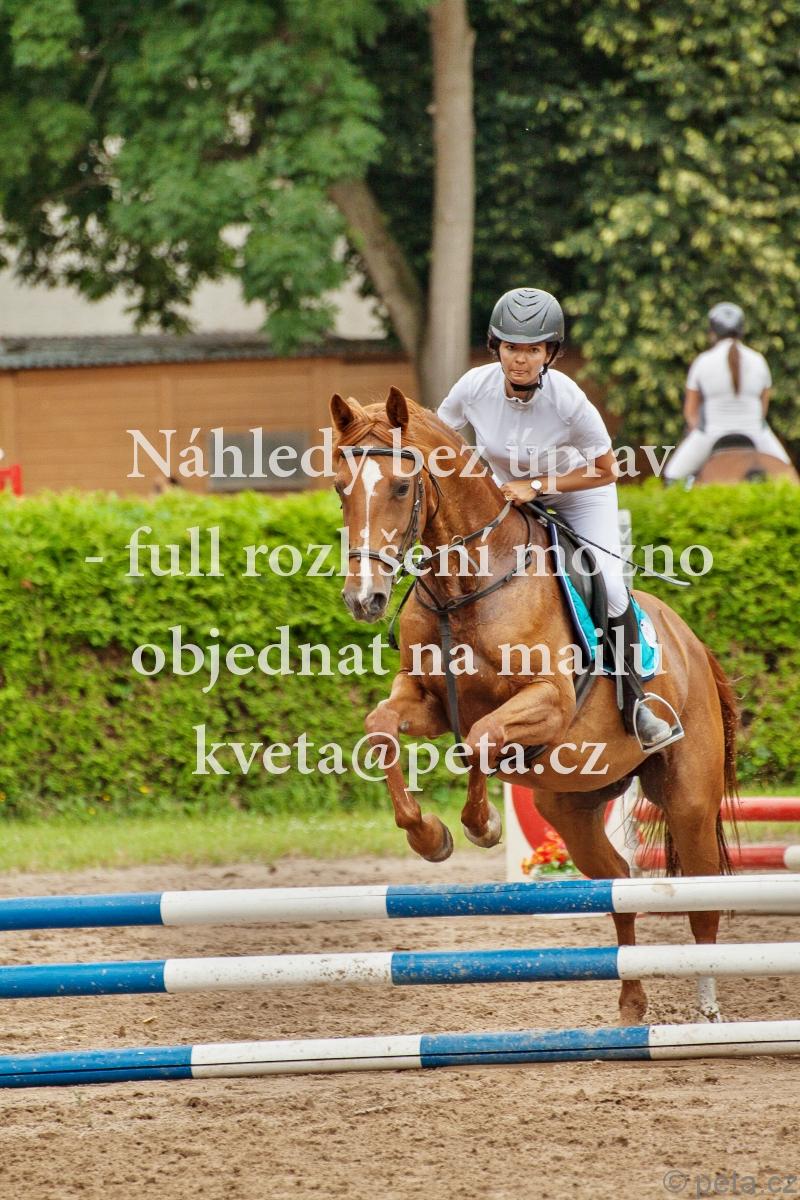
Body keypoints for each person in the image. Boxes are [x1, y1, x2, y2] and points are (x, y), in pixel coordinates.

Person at [436, 286, 682, 754]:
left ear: (549, 353)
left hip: (578, 493)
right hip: (508, 495)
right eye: (511, 347)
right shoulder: (472, 387)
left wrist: (537, 485)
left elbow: (607, 469)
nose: (520, 359)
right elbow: (438, 440)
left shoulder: (567, 399)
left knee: (610, 586)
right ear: (495, 347)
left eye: (533, 349)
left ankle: (637, 703)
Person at [663, 302, 791, 482]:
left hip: (711, 434)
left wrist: (697, 429)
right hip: (755, 433)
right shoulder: (758, 361)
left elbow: (691, 412)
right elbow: (763, 410)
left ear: (712, 332)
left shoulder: (702, 362)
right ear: (741, 330)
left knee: (672, 475)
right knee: (788, 475)